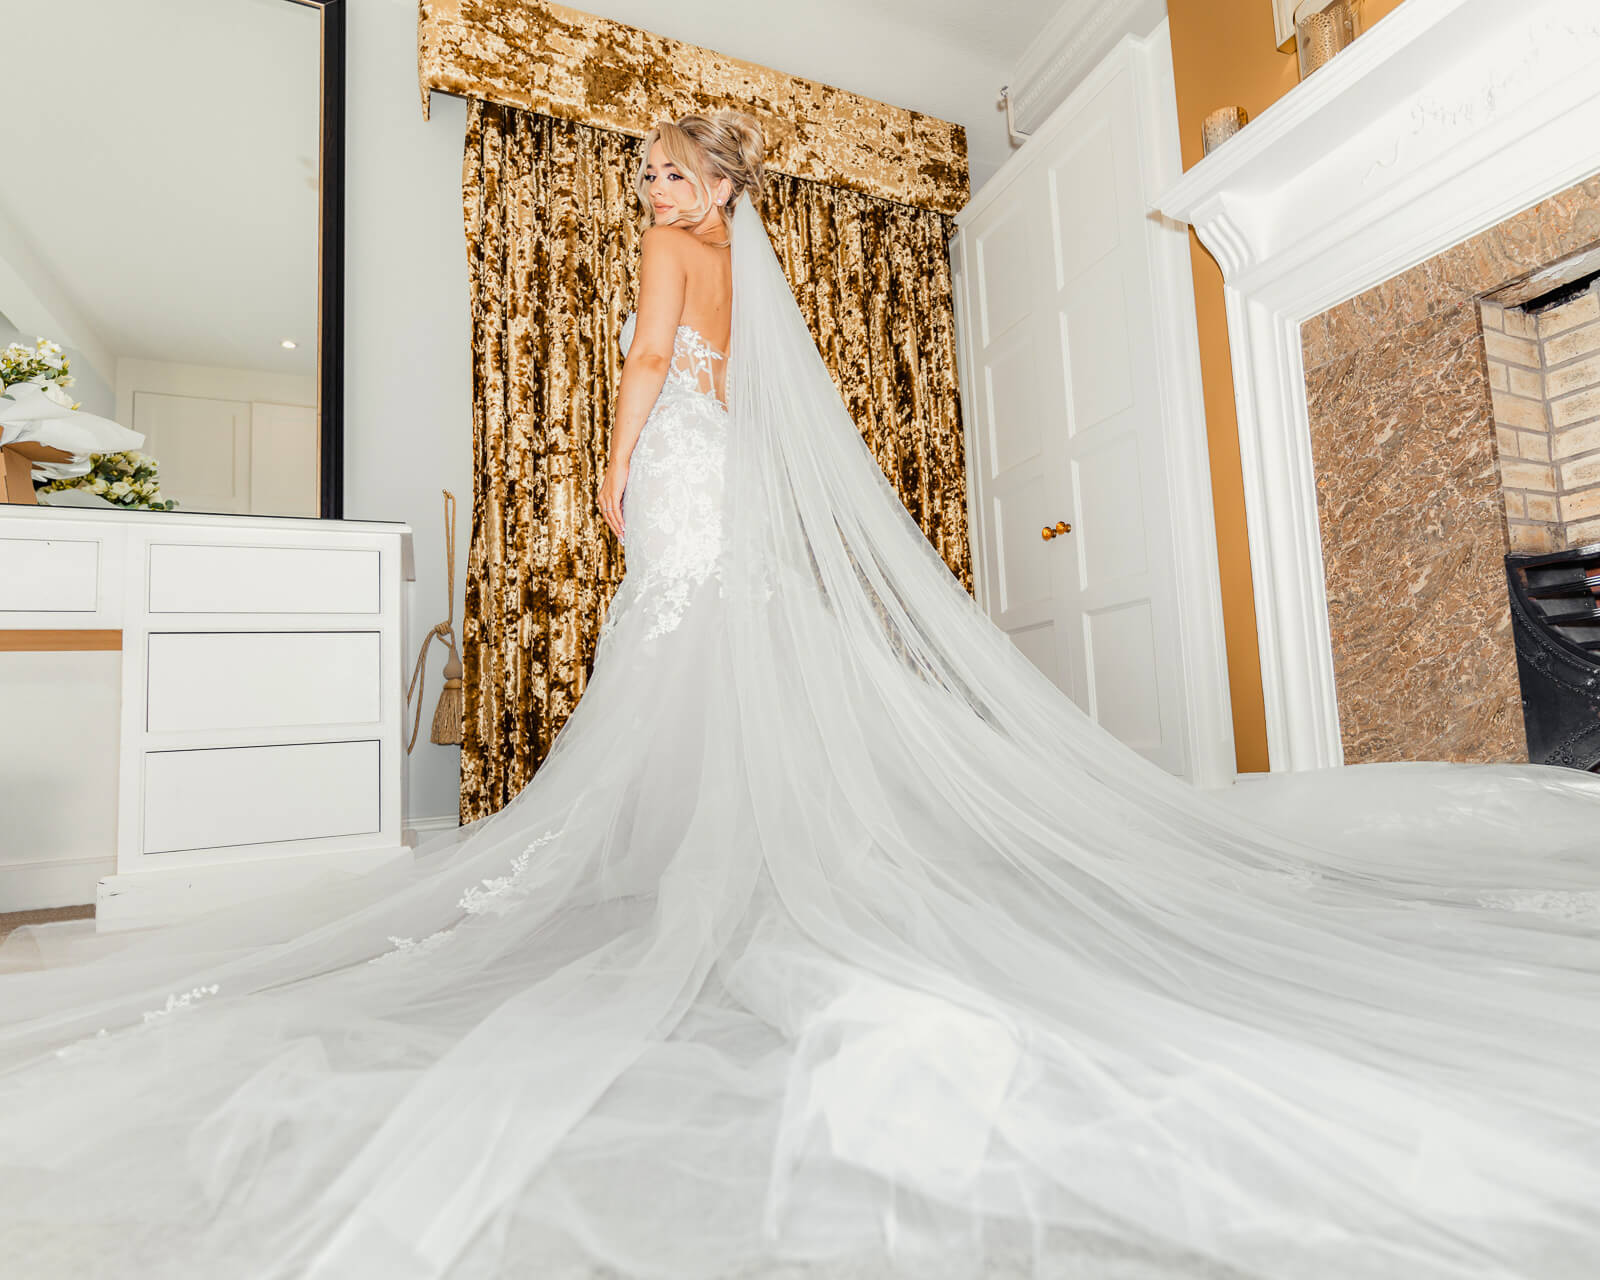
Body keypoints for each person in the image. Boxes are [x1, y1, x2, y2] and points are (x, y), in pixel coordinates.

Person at [2, 109, 1598, 1280]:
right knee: (711, 641)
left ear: (713, 189)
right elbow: (732, 379)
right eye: (647, 177)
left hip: (682, 464)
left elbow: (645, 367)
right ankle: (719, 849)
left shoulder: (669, 258)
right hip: (731, 472)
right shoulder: (743, 272)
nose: (650, 192)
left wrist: (612, 466)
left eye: (667, 174)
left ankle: (691, 865)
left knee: (677, 638)